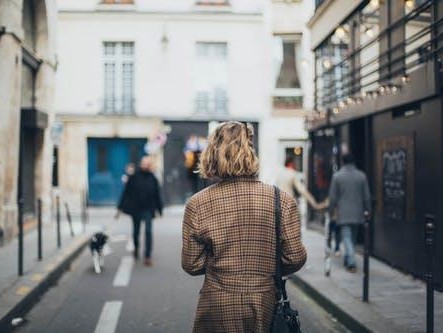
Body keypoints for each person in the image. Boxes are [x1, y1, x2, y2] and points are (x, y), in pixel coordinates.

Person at [182, 121, 307, 333]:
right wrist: (266, 268)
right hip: (264, 304)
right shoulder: (281, 200)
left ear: (212, 154)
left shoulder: (197, 203)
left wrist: (221, 264)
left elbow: (191, 264)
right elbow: (295, 257)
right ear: (252, 152)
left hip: (217, 303)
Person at [328, 153, 371, 273]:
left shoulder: (337, 177)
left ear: (343, 162)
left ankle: (351, 262)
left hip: (344, 212)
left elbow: (332, 197)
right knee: (351, 237)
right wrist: (368, 210)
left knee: (346, 237)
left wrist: (331, 211)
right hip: (358, 212)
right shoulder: (361, 176)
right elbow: (366, 196)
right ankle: (348, 259)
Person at [118, 156, 163, 266]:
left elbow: (157, 194)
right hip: (136, 208)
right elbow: (126, 192)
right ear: (141, 164)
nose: (145, 165)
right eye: (144, 163)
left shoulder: (153, 178)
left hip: (148, 208)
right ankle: (136, 249)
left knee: (148, 231)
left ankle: (147, 256)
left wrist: (160, 209)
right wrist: (120, 207)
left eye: (148, 164)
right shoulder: (134, 177)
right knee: (136, 232)